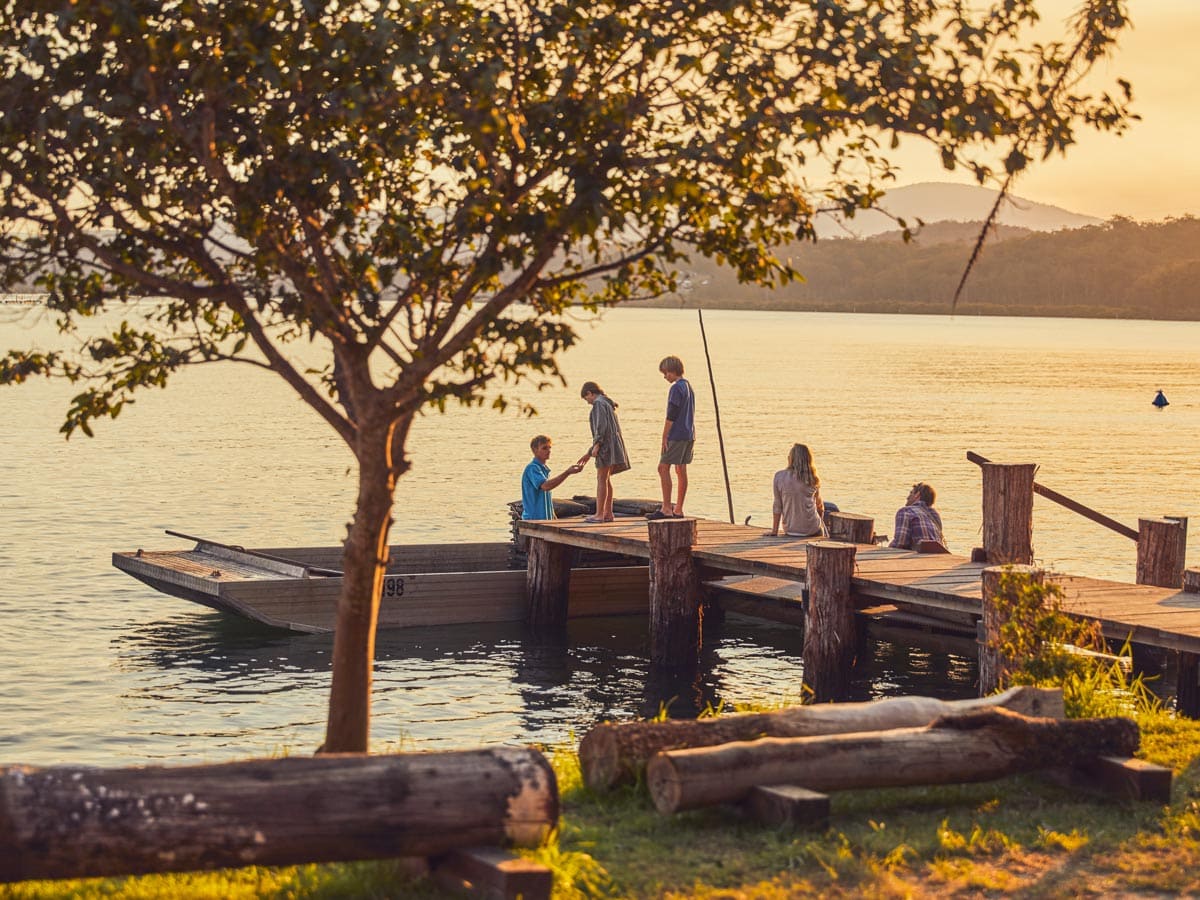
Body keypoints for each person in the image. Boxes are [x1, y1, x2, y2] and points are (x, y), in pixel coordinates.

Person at [649, 355, 695, 520]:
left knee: (663, 468)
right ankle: (679, 508)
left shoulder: (676, 388)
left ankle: (667, 508)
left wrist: (664, 435)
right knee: (680, 469)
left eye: (665, 373)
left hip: (676, 434)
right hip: (689, 433)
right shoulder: (688, 386)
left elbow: (672, 413)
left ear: (672, 371)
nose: (664, 376)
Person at [579, 381, 630, 523]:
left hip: (605, 446)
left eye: (586, 398)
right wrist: (589, 452)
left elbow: (601, 426)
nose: (588, 402)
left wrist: (597, 444)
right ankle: (608, 513)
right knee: (606, 478)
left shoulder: (598, 404)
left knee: (601, 478)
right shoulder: (607, 403)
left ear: (590, 393)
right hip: (613, 445)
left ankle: (599, 514)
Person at [520, 435, 585, 520]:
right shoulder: (532, 468)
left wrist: (554, 519)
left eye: (549, 448)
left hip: (545, 519)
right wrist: (567, 473)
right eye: (544, 448)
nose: (548, 451)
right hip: (533, 520)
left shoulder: (543, 469)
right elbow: (545, 486)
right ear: (535, 450)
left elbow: (546, 499)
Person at [769, 443, 827, 537]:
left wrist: (774, 531)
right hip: (813, 530)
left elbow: (777, 505)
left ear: (790, 459)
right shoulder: (812, 478)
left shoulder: (779, 477)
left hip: (791, 530)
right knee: (830, 507)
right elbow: (820, 506)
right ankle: (825, 536)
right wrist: (821, 522)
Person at [889, 482, 946, 550]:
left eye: (911, 493)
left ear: (917, 494)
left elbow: (900, 543)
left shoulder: (905, 511)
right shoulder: (934, 514)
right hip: (938, 555)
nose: (907, 497)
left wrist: (886, 549)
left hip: (919, 556)